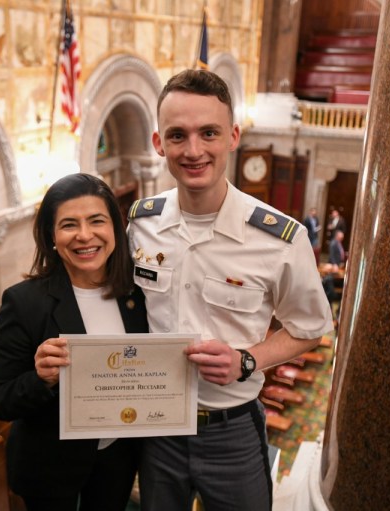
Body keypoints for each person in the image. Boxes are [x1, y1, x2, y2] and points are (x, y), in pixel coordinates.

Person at [127, 69, 334, 511]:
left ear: (234, 136)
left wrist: (248, 359)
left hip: (232, 430)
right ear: (158, 143)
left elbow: (311, 328)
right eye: (178, 135)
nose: (194, 150)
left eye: (209, 133)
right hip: (157, 425)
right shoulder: (140, 223)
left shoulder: (280, 238)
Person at [0, 173, 148, 511]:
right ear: (52, 237)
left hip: (117, 457)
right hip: (49, 465)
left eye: (96, 221)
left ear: (116, 229)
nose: (85, 235)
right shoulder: (23, 302)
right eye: (69, 224)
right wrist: (40, 378)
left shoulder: (139, 293)